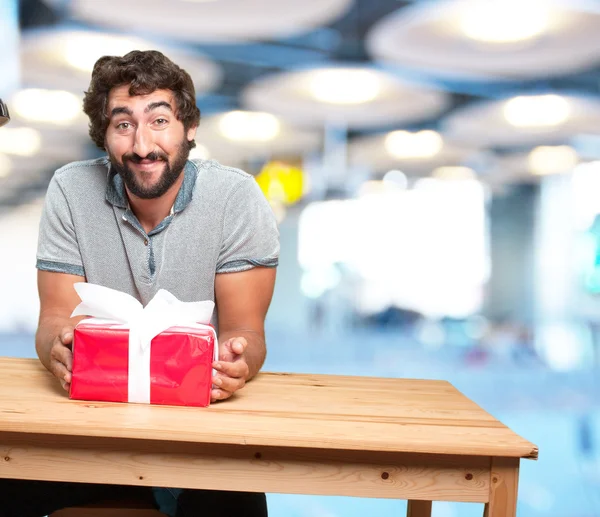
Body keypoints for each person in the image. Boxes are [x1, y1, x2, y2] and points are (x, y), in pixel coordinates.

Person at [0, 50, 279, 517]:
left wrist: (237, 362)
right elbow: (52, 319)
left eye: (160, 120)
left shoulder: (235, 197)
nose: (142, 144)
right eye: (123, 124)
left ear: (189, 127)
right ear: (104, 136)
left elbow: (246, 333)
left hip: (199, 432)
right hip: (91, 435)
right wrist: (58, 348)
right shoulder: (70, 189)